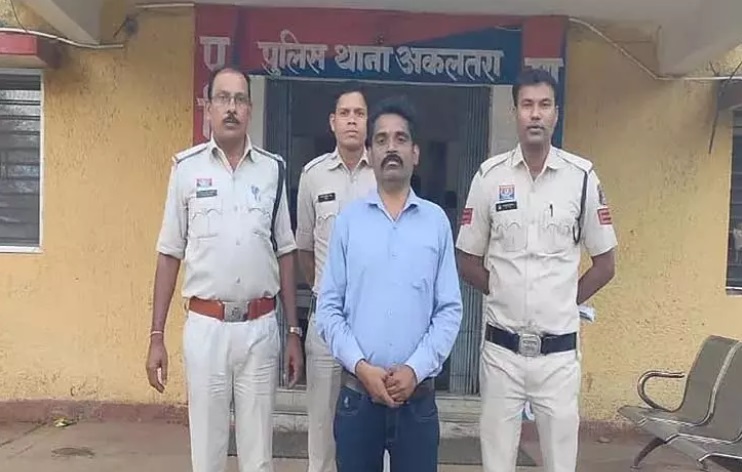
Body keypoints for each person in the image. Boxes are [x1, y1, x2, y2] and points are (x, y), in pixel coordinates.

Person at [455, 67, 617, 472]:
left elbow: (605, 264)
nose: (535, 114)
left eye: (544, 105)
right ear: (514, 112)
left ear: (556, 114)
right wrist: (502, 290)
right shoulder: (489, 177)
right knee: (496, 463)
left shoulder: (581, 178)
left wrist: (564, 300)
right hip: (501, 353)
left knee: (560, 464)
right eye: (527, 105)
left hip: (558, 357)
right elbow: (466, 258)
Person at [145, 65, 304, 472]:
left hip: (260, 329)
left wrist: (292, 331)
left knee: (259, 457)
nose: (231, 107)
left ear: (250, 109)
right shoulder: (186, 169)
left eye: (240, 99)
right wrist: (156, 336)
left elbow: (285, 251)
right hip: (206, 328)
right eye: (223, 98)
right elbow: (169, 254)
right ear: (208, 107)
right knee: (207, 454)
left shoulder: (272, 169)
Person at [315, 95, 463, 472]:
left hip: (418, 401)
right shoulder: (349, 222)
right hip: (358, 398)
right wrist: (361, 366)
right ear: (370, 152)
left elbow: (449, 310)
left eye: (400, 139)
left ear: (416, 153)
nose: (391, 148)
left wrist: (415, 369)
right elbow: (329, 308)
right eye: (381, 140)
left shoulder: (436, 223)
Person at [295, 82, 376, 472]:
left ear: (368, 121)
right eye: (345, 113)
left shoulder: (384, 173)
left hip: (374, 321)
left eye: (359, 113)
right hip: (327, 322)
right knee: (322, 427)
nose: (352, 121)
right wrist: (325, 291)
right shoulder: (313, 176)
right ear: (332, 122)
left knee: (374, 424)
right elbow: (304, 249)